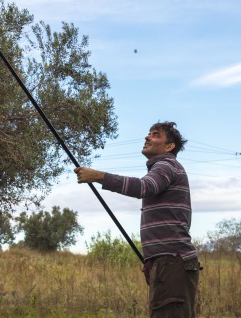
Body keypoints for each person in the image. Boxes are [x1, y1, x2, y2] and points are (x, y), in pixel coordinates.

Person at [74, 121, 200, 317]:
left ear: (169, 146)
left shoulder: (167, 165)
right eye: (149, 133)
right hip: (168, 262)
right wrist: (152, 259)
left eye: (155, 135)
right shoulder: (163, 168)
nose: (147, 137)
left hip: (172, 263)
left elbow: (143, 187)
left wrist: (99, 176)